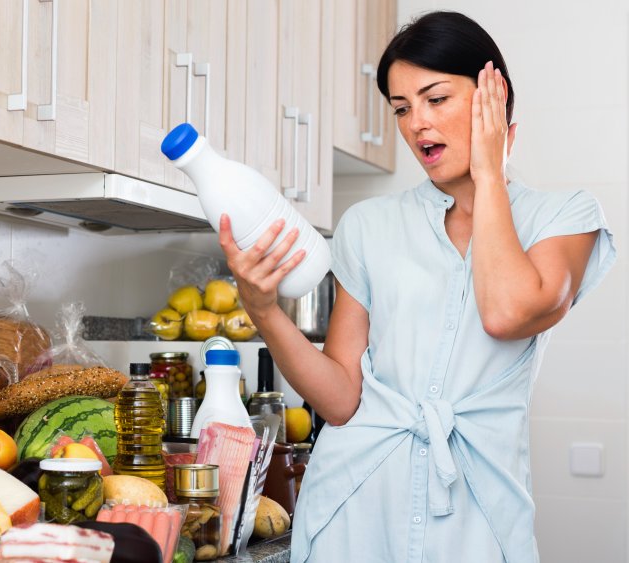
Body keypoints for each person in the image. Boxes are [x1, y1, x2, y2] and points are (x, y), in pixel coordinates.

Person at [218, 11, 616, 563]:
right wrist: (264, 311)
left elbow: (506, 312)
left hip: (481, 512)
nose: (416, 125)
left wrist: (490, 172)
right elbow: (339, 400)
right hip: (355, 502)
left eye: (436, 99)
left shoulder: (565, 217)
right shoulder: (368, 225)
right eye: (402, 108)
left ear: (492, 104)